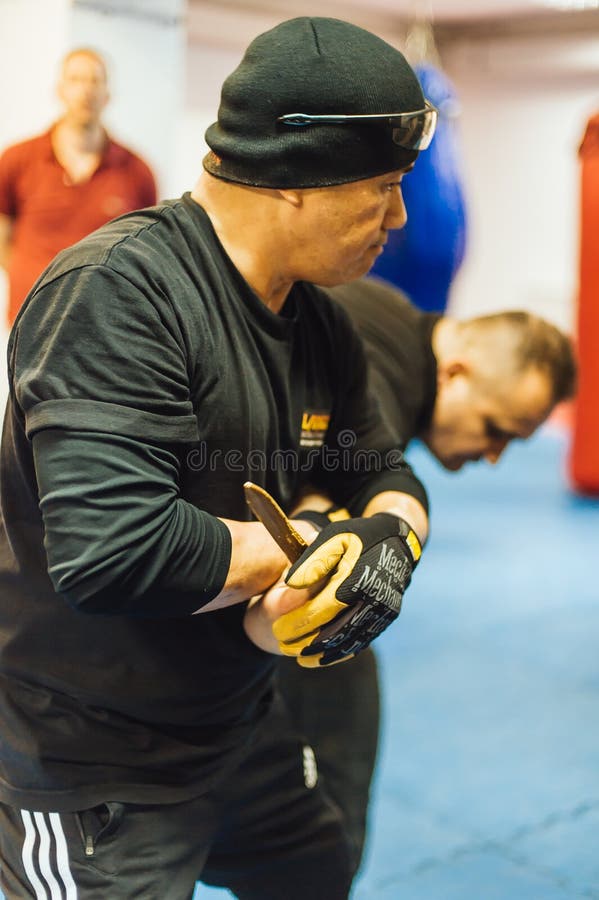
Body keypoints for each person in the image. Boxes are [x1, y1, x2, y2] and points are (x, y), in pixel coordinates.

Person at [0, 18, 439, 900]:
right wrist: (317, 543)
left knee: (314, 873)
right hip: (91, 760)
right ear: (294, 181)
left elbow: (384, 470)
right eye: (384, 188)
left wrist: (391, 543)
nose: (397, 218)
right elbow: (116, 554)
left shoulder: (320, 318)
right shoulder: (120, 292)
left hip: (236, 722)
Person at [278, 274, 577, 874]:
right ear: (457, 371)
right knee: (338, 726)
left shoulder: (397, 310)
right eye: (495, 430)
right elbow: (320, 489)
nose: (492, 456)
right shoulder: (381, 374)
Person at [0, 47, 157, 327]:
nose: (86, 90)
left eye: (95, 81)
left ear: (107, 94)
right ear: (60, 90)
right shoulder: (17, 160)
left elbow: (144, 253)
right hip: (32, 322)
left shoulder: (137, 171)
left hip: (104, 326)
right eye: (76, 80)